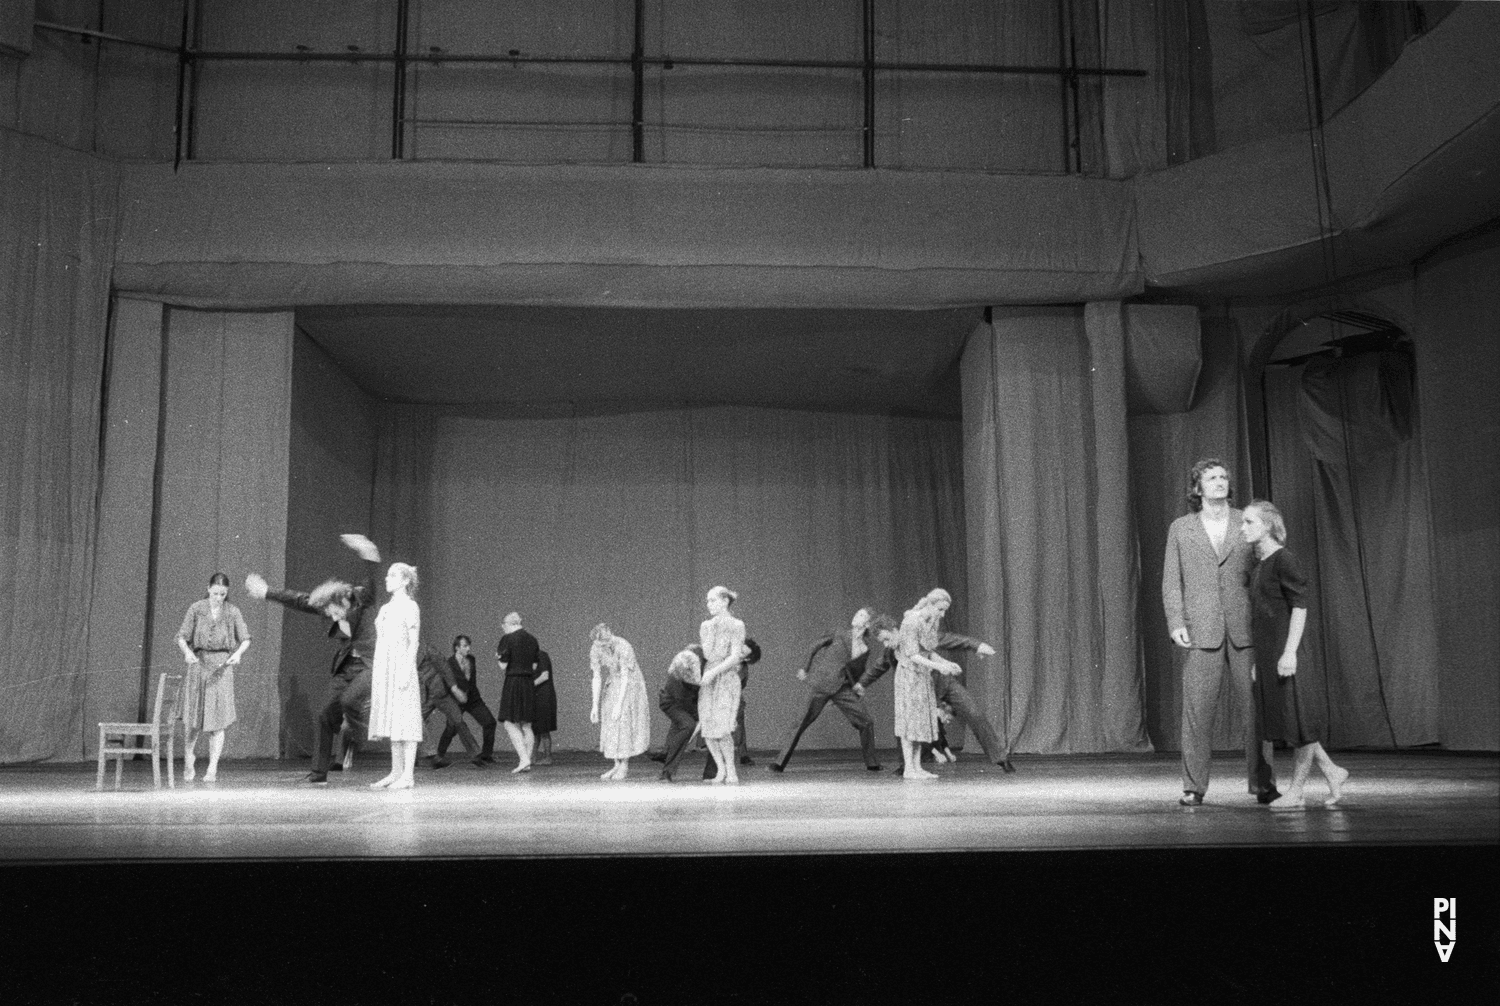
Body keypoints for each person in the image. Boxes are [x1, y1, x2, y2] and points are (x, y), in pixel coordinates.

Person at [1163, 457, 1274, 807]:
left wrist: (1267, 624)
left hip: (1245, 629)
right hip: (1201, 629)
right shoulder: (1181, 528)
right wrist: (1176, 622)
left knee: (1257, 710)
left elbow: (1264, 572)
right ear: (1198, 488)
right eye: (1211, 478)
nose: (1220, 482)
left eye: (1224, 477)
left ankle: (1263, 784)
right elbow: (1171, 581)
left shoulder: (1246, 520)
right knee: (1197, 712)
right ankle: (1193, 787)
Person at [246, 533, 381, 784]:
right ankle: (319, 773)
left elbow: (369, 584)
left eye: (335, 611)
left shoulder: (358, 598)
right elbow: (298, 599)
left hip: (369, 665)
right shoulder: (326, 607)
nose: (332, 616)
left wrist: (368, 554)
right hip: (346, 667)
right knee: (324, 713)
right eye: (327, 613)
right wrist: (266, 592)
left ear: (342, 600)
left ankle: (360, 735)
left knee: (351, 700)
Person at [1242, 501, 1350, 809]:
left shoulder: (1283, 559)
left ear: (1267, 525)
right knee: (1292, 722)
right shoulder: (1261, 564)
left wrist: (1289, 652)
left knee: (1300, 725)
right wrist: (1257, 661)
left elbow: (1300, 607)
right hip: (1267, 653)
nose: (1243, 527)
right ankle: (1332, 770)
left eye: (1249, 522)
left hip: (1286, 650)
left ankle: (1297, 791)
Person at [856, 595, 1014, 773]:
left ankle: (1001, 758)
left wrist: (976, 645)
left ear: (894, 630)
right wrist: (861, 684)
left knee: (973, 712)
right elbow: (878, 667)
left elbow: (950, 639)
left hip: (944, 682)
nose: (886, 644)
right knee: (908, 722)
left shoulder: (919, 632)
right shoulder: (892, 649)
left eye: (886, 638)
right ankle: (907, 765)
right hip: (921, 689)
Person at [770, 608, 883, 773]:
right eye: (856, 612)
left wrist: (857, 687)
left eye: (860, 615)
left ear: (867, 624)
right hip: (821, 684)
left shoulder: (865, 649)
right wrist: (804, 667)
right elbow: (814, 646)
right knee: (801, 722)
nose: (855, 615)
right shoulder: (839, 633)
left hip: (842, 688)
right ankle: (779, 763)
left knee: (866, 721)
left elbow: (855, 671)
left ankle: (872, 763)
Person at [174, 573, 251, 782]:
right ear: (208, 589)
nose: (219, 597)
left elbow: (245, 639)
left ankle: (212, 768)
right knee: (194, 719)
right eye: (216, 593)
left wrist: (237, 655)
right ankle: (189, 758)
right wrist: (187, 652)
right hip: (199, 665)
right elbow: (182, 636)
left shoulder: (232, 611)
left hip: (221, 668)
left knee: (218, 721)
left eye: (223, 594)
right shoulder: (197, 608)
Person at [890, 590, 965, 779]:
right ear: (931, 605)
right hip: (908, 675)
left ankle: (917, 767)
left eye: (944, 610)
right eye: (940, 609)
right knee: (909, 721)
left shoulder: (932, 622)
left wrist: (946, 663)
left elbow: (929, 652)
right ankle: (909, 768)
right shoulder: (911, 621)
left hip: (922, 676)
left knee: (920, 722)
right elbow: (912, 654)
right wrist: (938, 667)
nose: (942, 614)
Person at [368, 562, 423, 790]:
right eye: (387, 575)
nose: (387, 579)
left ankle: (408, 775)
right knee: (393, 719)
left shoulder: (410, 606)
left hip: (401, 666)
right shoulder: (386, 608)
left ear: (405, 581)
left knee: (406, 718)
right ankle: (396, 771)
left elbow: (414, 642)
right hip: (385, 667)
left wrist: (406, 670)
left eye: (392, 575)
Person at [698, 585, 747, 785]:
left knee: (723, 727)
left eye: (713, 600)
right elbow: (709, 654)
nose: (709, 604)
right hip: (709, 676)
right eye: (708, 601)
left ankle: (731, 770)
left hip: (725, 677)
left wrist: (714, 672)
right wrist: (709, 630)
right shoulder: (706, 625)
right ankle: (720, 769)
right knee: (708, 728)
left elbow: (735, 656)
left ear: (725, 600)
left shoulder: (737, 625)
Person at [589, 624, 651, 780]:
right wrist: (594, 705)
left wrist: (619, 704)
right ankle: (616, 764)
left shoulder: (623, 646)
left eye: (605, 641)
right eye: (600, 644)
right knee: (611, 721)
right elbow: (596, 676)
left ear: (610, 634)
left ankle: (624, 765)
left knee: (623, 720)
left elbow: (625, 677)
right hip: (614, 682)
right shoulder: (596, 648)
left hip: (630, 684)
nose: (603, 646)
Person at [416, 642, 480, 768]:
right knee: (415, 723)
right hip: (424, 696)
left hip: (440, 692)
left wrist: (454, 688)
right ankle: (421, 757)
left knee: (458, 720)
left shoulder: (428, 649)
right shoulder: (404, 652)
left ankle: (476, 754)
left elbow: (445, 668)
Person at [437, 635, 497, 767]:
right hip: (457, 701)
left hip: (473, 699)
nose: (468, 649)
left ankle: (486, 755)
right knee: (451, 729)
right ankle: (438, 756)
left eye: (469, 645)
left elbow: (470, 681)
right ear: (457, 648)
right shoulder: (449, 663)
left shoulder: (471, 659)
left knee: (490, 723)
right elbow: (447, 683)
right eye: (465, 646)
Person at [495, 611, 541, 774]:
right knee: (527, 724)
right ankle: (527, 761)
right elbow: (535, 666)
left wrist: (498, 657)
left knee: (509, 722)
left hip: (513, 682)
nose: (503, 628)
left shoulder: (507, 639)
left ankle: (523, 758)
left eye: (504, 625)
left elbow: (503, 666)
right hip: (528, 683)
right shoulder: (533, 639)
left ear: (510, 624)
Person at [656, 645, 704, 782]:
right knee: (687, 725)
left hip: (689, 702)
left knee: (683, 727)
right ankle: (667, 758)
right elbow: (683, 700)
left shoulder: (696, 654)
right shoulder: (678, 675)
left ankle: (666, 760)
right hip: (672, 702)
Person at [532, 649, 557, 766]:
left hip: (544, 696)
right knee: (535, 729)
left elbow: (545, 675)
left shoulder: (541, 655)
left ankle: (548, 757)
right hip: (536, 697)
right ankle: (532, 757)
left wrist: (529, 686)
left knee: (543, 729)